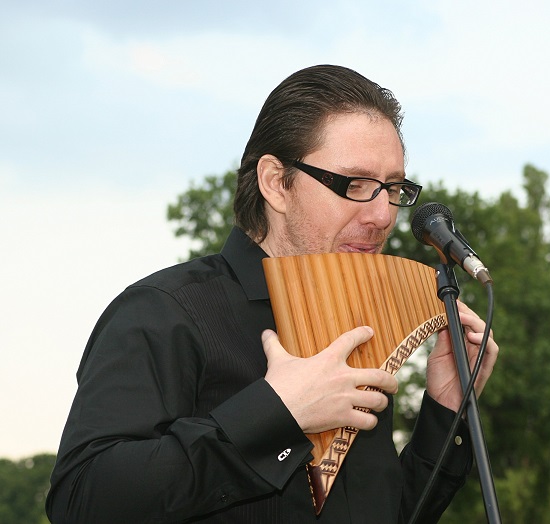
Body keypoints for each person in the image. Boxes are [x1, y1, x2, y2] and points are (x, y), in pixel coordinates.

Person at [47, 64, 499, 523]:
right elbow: (81, 499)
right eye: (354, 184)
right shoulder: (164, 312)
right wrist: (275, 414)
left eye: (393, 188)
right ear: (276, 183)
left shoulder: (364, 331)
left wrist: (447, 409)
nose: (383, 215)